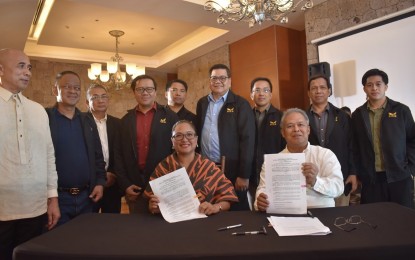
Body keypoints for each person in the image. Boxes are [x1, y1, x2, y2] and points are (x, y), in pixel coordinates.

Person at [0, 49, 60, 260]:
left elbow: (49, 155)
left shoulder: (38, 110)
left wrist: (52, 198)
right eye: (20, 66)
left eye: (29, 67)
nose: (27, 72)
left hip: (36, 207)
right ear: (1, 69)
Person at [46, 71, 106, 225]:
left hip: (87, 197)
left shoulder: (88, 120)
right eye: (67, 87)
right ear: (55, 90)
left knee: (84, 243)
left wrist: (99, 182)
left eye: (77, 88)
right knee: (59, 244)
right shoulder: (45, 118)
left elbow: (98, 156)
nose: (73, 91)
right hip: (58, 199)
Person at [254, 108, 344, 211]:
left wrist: (315, 181)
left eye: (300, 125)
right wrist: (260, 200)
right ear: (283, 132)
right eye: (290, 126)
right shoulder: (273, 161)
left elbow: (339, 188)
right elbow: (262, 189)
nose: (296, 129)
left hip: (321, 212)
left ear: (308, 130)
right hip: (285, 214)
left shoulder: (325, 154)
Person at [145, 120, 238, 215]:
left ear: (196, 139)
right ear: (172, 141)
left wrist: (216, 207)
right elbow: (151, 201)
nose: (184, 139)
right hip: (171, 223)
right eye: (178, 135)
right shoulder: (163, 167)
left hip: (205, 221)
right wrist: (152, 206)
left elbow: (227, 198)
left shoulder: (209, 167)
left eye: (189, 135)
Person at [352, 68, 415, 208]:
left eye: (378, 84)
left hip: (399, 176)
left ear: (386, 86)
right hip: (371, 179)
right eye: (369, 85)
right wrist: (357, 172)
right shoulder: (358, 115)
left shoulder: (401, 110)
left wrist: (410, 168)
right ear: (364, 89)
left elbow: (412, 139)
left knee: (403, 220)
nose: (374, 88)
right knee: (375, 220)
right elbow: (354, 146)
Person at [196, 64, 255, 211]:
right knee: (209, 208)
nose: (218, 81)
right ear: (209, 81)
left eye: (222, 78)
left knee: (235, 210)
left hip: (232, 170)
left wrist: (244, 174)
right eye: (214, 78)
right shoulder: (202, 103)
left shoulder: (240, 104)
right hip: (206, 168)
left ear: (229, 81)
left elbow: (248, 140)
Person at [115, 75, 178, 213]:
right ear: (134, 93)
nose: (145, 93)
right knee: (138, 229)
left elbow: (177, 152)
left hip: (163, 184)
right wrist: (125, 185)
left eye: (149, 89)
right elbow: (118, 155)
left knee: (163, 228)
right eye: (140, 89)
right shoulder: (125, 121)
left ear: (155, 92)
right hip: (134, 187)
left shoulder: (170, 117)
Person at [306, 74, 357, 206]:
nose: (318, 91)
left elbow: (351, 146)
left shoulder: (342, 116)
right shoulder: (302, 118)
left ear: (329, 91)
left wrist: (353, 173)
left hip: (339, 178)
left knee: (339, 222)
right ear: (308, 92)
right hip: (310, 181)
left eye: (322, 87)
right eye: (314, 88)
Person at [86, 84, 122, 213]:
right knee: (90, 225)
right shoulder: (81, 122)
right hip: (90, 184)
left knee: (112, 226)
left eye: (103, 96)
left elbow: (121, 153)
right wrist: (99, 176)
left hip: (113, 183)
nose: (100, 100)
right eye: (95, 97)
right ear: (87, 102)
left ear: (108, 100)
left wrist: (113, 174)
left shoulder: (118, 124)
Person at [250, 77, 285, 197]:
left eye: (265, 90)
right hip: (250, 176)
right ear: (251, 95)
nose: (261, 94)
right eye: (257, 90)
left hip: (274, 175)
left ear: (270, 95)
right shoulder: (245, 116)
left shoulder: (281, 117)